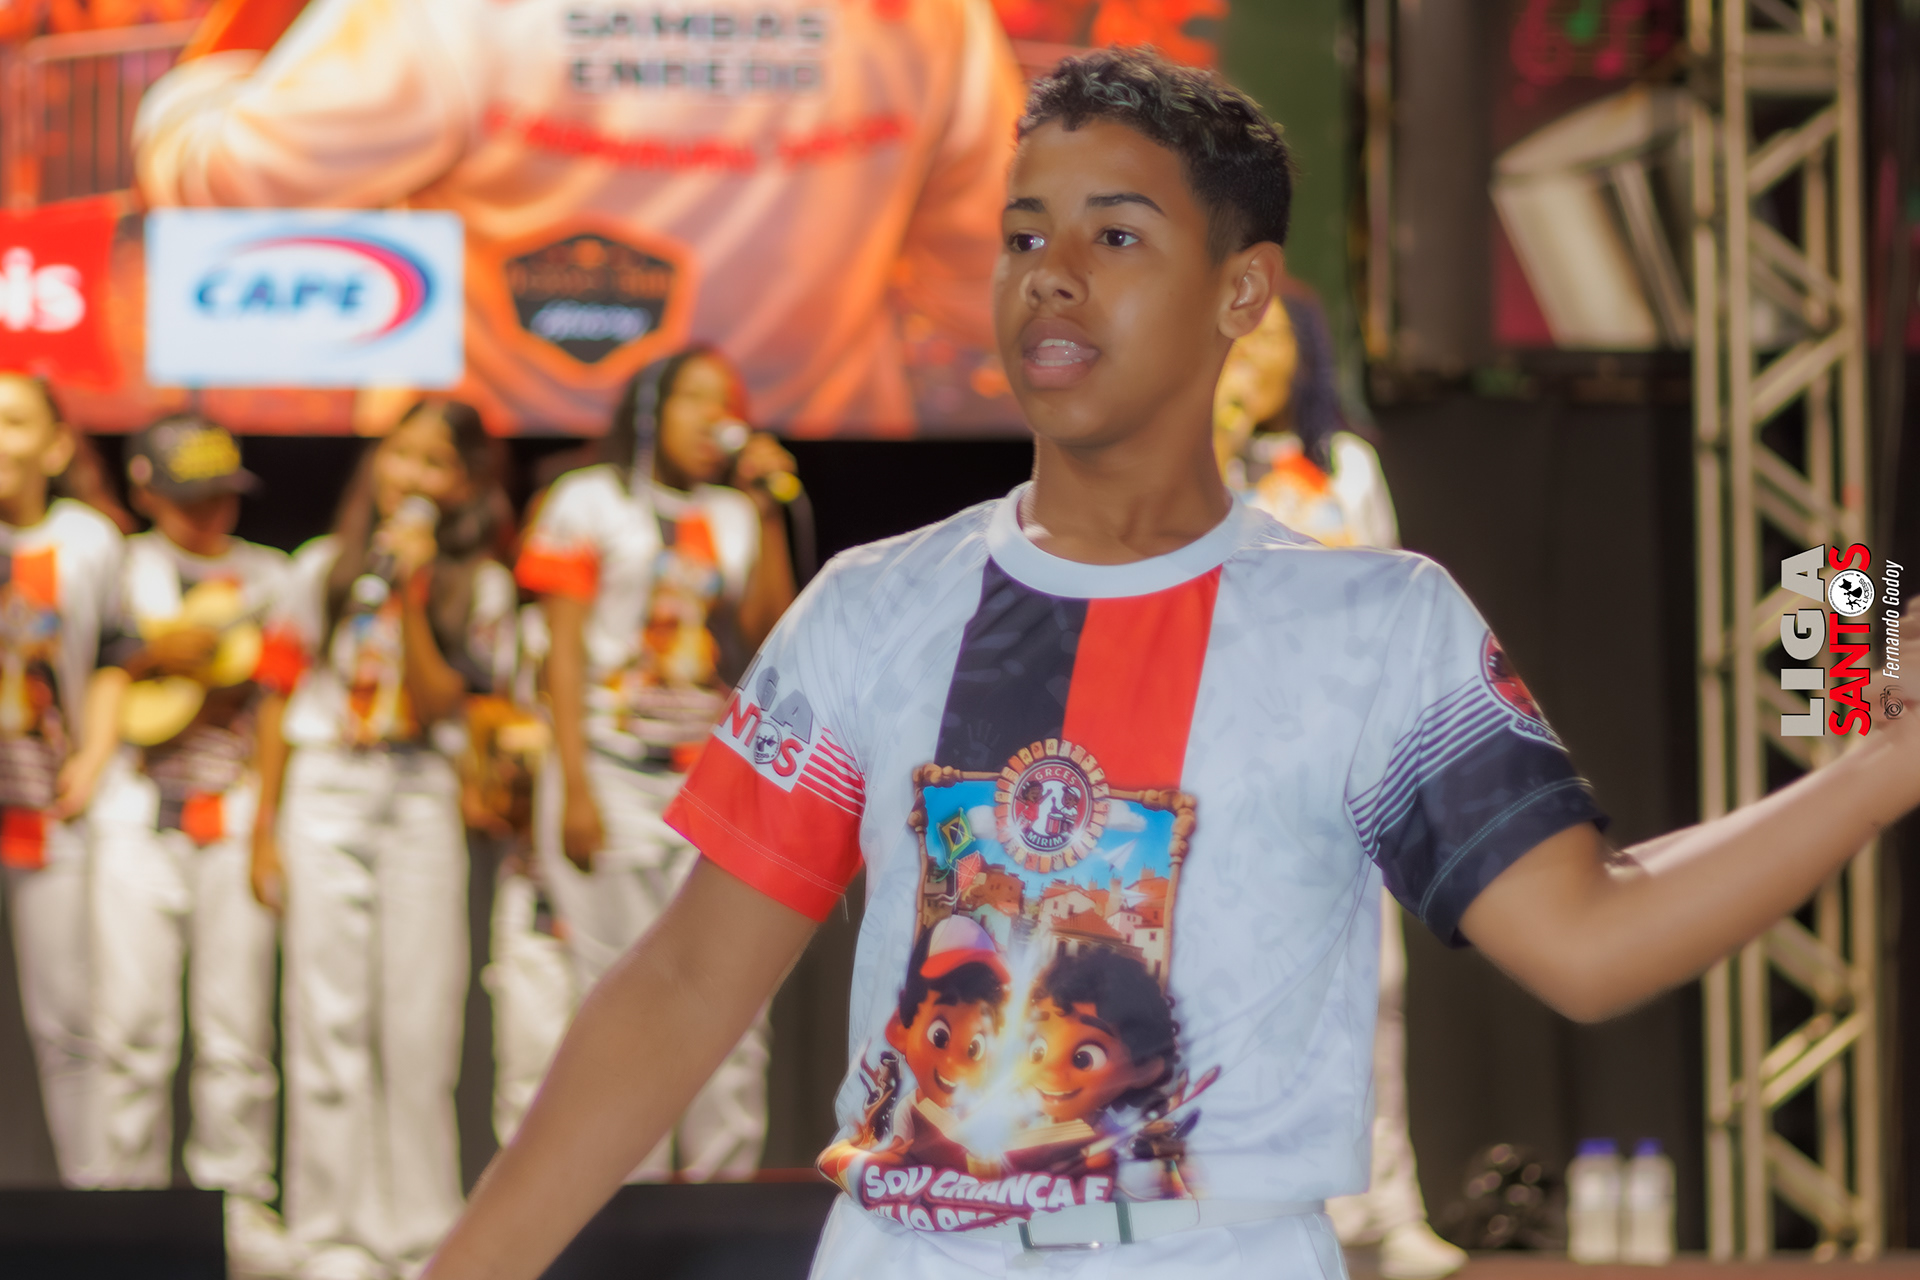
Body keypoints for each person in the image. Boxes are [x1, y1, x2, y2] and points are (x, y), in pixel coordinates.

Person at [421, 49, 1920, 1280]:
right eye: (1025, 236)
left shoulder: (1374, 621)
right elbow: (685, 983)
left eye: (1115, 235)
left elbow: (1589, 940)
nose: (1052, 277)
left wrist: (1878, 773)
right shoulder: (870, 607)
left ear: (1244, 293)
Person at [132, 0, 1026, 436]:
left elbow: (224, 181)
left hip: (486, 472)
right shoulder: (930, 16)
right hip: (812, 477)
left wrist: (221, 67)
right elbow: (982, 284)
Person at [1214, 291, 1465, 1279]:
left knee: (1370, 986)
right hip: (1221, 770)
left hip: (1337, 761)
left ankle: (1382, 1208)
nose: (1252, 351)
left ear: (1304, 356)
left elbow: (1385, 595)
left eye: (1272, 336)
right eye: (1239, 335)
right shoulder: (1185, 463)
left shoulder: (1342, 468)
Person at [504, 346, 797, 1177]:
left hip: (708, 777)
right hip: (609, 766)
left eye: (726, 403)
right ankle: (628, 1196)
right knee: (621, 992)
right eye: (695, 399)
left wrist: (768, 509)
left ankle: (719, 1193)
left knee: (724, 993)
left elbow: (773, 629)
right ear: (648, 409)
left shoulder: (734, 513)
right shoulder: (587, 499)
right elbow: (562, 653)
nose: (715, 419)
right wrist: (573, 786)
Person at [255, 399, 516, 1280]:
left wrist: (412, 592)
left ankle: (417, 1231)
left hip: (418, 789)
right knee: (326, 1013)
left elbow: (445, 703)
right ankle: (328, 1230)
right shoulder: (319, 567)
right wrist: (264, 830)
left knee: (417, 1016)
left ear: (465, 485)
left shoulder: (479, 586)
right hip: (326, 785)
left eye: (436, 463)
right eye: (402, 456)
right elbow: (277, 697)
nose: (413, 477)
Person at [88, 415, 300, 1272]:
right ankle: (120, 1210)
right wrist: (147, 656)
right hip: (134, 812)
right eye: (190, 496)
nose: (210, 511)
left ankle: (240, 1206)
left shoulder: (271, 577)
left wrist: (269, 830)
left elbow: (280, 703)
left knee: (235, 1029)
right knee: (130, 1029)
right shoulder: (117, 564)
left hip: (231, 811)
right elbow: (91, 672)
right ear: (146, 490)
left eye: (222, 494)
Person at [0, 372, 128, 1189]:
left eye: (13, 422)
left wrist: (95, 752)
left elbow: (116, 652)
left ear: (54, 446)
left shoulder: (89, 539)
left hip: (44, 810)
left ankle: (92, 1201)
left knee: (70, 1019)